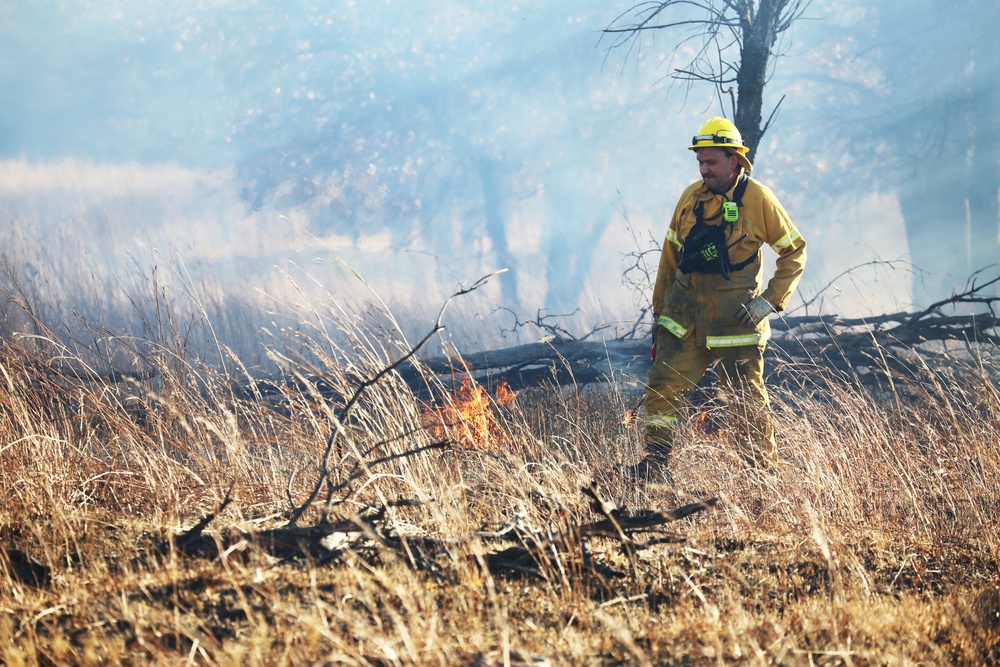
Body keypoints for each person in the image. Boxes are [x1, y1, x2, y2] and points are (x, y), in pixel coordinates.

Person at [628, 117, 807, 483]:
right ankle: (655, 467)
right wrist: (660, 315)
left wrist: (770, 301)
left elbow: (794, 252)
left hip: (735, 324)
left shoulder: (758, 199)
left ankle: (761, 478)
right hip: (684, 321)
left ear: (735, 161)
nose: (704, 169)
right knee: (662, 388)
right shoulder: (690, 197)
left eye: (711, 162)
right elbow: (670, 256)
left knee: (747, 405)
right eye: (700, 162)